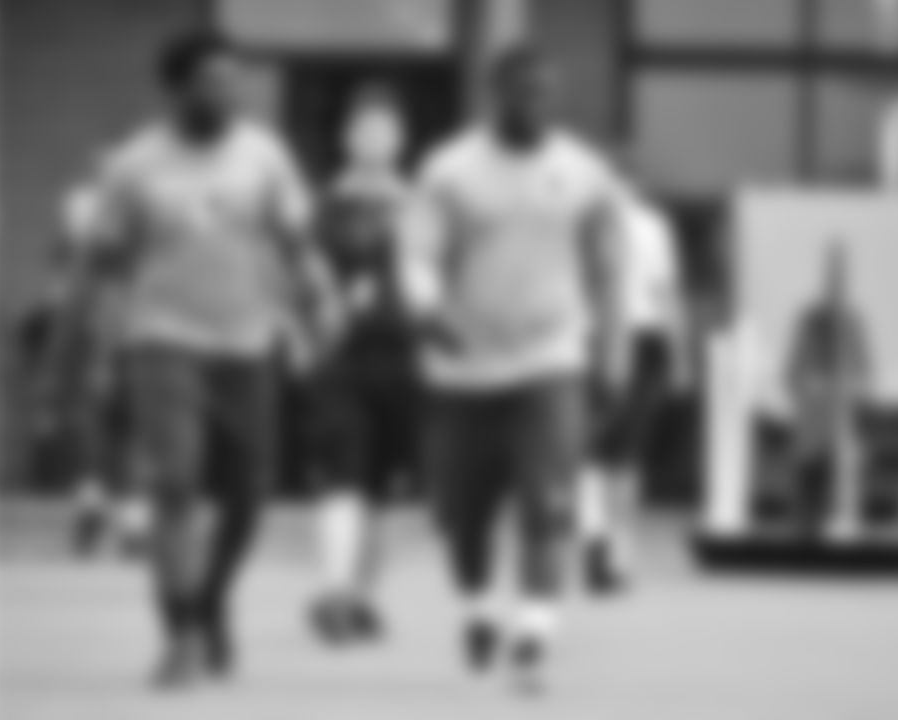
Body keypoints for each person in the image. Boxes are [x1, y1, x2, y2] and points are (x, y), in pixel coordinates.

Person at [80, 30, 328, 688]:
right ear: (177, 89)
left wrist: (317, 301)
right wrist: (103, 348)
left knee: (249, 498)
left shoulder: (265, 155)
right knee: (175, 485)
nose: (227, 93)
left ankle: (211, 597)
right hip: (162, 339)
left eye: (233, 81)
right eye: (212, 82)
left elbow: (296, 241)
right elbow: (105, 265)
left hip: (248, 341)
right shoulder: (134, 165)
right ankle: (181, 633)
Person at [399, 48, 627, 692]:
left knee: (548, 503)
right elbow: (417, 254)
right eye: (522, 91)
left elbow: (610, 270)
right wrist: (425, 308)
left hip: (550, 360)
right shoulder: (448, 170)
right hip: (463, 367)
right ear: (493, 93)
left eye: (546, 92)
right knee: (464, 517)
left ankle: (531, 637)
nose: (535, 104)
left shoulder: (584, 173)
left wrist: (614, 352)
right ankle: (477, 608)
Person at [305, 83, 418, 645]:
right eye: (365, 128)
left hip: (405, 356)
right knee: (340, 472)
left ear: (401, 139)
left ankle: (366, 597)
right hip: (341, 355)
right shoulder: (324, 204)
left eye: (386, 128)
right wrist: (322, 306)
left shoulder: (421, 201)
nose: (376, 138)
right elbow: (300, 267)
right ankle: (333, 593)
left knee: (385, 485)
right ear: (346, 137)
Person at [577, 183, 682, 594]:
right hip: (640, 335)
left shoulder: (584, 222)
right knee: (626, 452)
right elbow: (665, 291)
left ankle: (594, 534)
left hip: (593, 336)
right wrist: (679, 354)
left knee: (589, 448)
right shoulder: (652, 226)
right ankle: (619, 552)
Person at [56, 180, 148, 559]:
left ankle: (113, 516)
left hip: (116, 354)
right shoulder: (111, 266)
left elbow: (77, 321)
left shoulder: (99, 268)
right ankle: (122, 519)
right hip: (121, 354)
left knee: (108, 439)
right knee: (115, 441)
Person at [786, 242, 871, 542]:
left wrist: (849, 387)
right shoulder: (809, 320)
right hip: (813, 426)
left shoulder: (853, 322)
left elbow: (864, 374)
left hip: (841, 427)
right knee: (810, 476)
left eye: (841, 273)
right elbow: (792, 372)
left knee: (843, 484)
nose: (836, 280)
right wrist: (812, 385)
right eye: (832, 272)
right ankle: (805, 530)